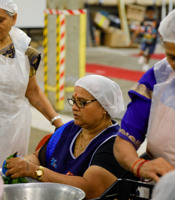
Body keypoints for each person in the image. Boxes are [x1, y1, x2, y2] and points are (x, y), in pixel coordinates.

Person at [3, 75, 134, 199]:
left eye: (82, 102)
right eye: (73, 101)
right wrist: (22, 163)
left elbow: (90, 189)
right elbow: (39, 157)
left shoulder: (115, 144)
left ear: (104, 107)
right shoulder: (68, 129)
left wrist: (36, 171)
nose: (75, 108)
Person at [114, 5, 175, 183]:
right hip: (160, 188)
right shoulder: (159, 78)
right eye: (172, 57)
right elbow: (123, 143)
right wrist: (139, 165)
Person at [0, 0, 64, 165]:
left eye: (0, 20)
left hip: (12, 127)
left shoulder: (27, 54)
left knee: (8, 173)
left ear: (14, 19)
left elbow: (33, 92)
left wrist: (57, 122)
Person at [130, 6, 159, 71]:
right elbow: (138, 29)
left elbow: (159, 31)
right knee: (141, 51)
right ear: (146, 13)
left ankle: (146, 63)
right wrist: (132, 40)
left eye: (152, 13)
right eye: (149, 13)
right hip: (145, 40)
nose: (150, 14)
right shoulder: (144, 21)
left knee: (149, 54)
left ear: (154, 13)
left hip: (153, 40)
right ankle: (143, 56)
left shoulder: (156, 21)